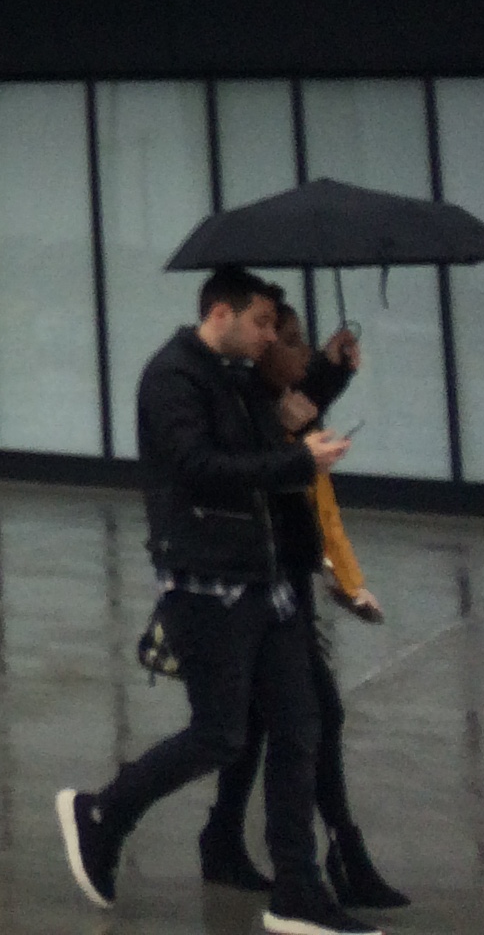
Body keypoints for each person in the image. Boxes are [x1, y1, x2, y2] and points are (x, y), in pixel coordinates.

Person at [56, 265, 376, 935]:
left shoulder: (236, 379)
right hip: (207, 585)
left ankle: (298, 892)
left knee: (300, 727)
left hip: (265, 585)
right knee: (220, 734)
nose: (269, 336)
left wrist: (331, 373)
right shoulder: (174, 377)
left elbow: (277, 419)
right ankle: (103, 813)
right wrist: (296, 462)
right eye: (261, 322)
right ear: (221, 313)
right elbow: (198, 466)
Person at [197, 301, 408, 912]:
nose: (291, 348)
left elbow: (300, 405)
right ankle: (330, 858)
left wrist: (335, 370)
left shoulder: (275, 397)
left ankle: (226, 841)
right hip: (256, 588)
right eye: (277, 336)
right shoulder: (240, 397)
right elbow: (247, 458)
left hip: (284, 584)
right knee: (307, 717)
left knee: (266, 722)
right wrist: (288, 431)